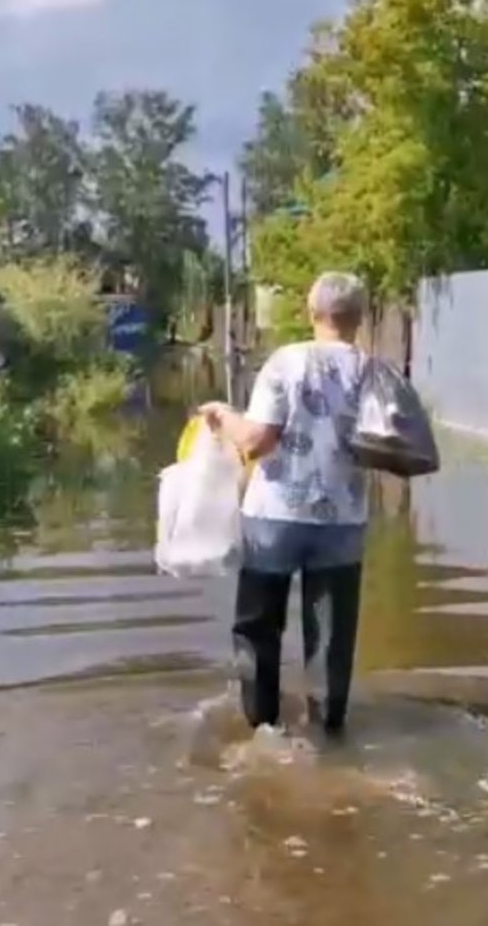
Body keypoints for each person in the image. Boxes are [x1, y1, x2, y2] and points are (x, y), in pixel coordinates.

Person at [201, 272, 368, 735]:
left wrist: (222, 416)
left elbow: (255, 442)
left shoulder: (286, 362)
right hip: (343, 519)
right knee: (330, 636)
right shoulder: (373, 370)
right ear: (360, 316)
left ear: (312, 312)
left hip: (274, 517)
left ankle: (263, 727)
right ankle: (328, 730)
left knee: (257, 626)